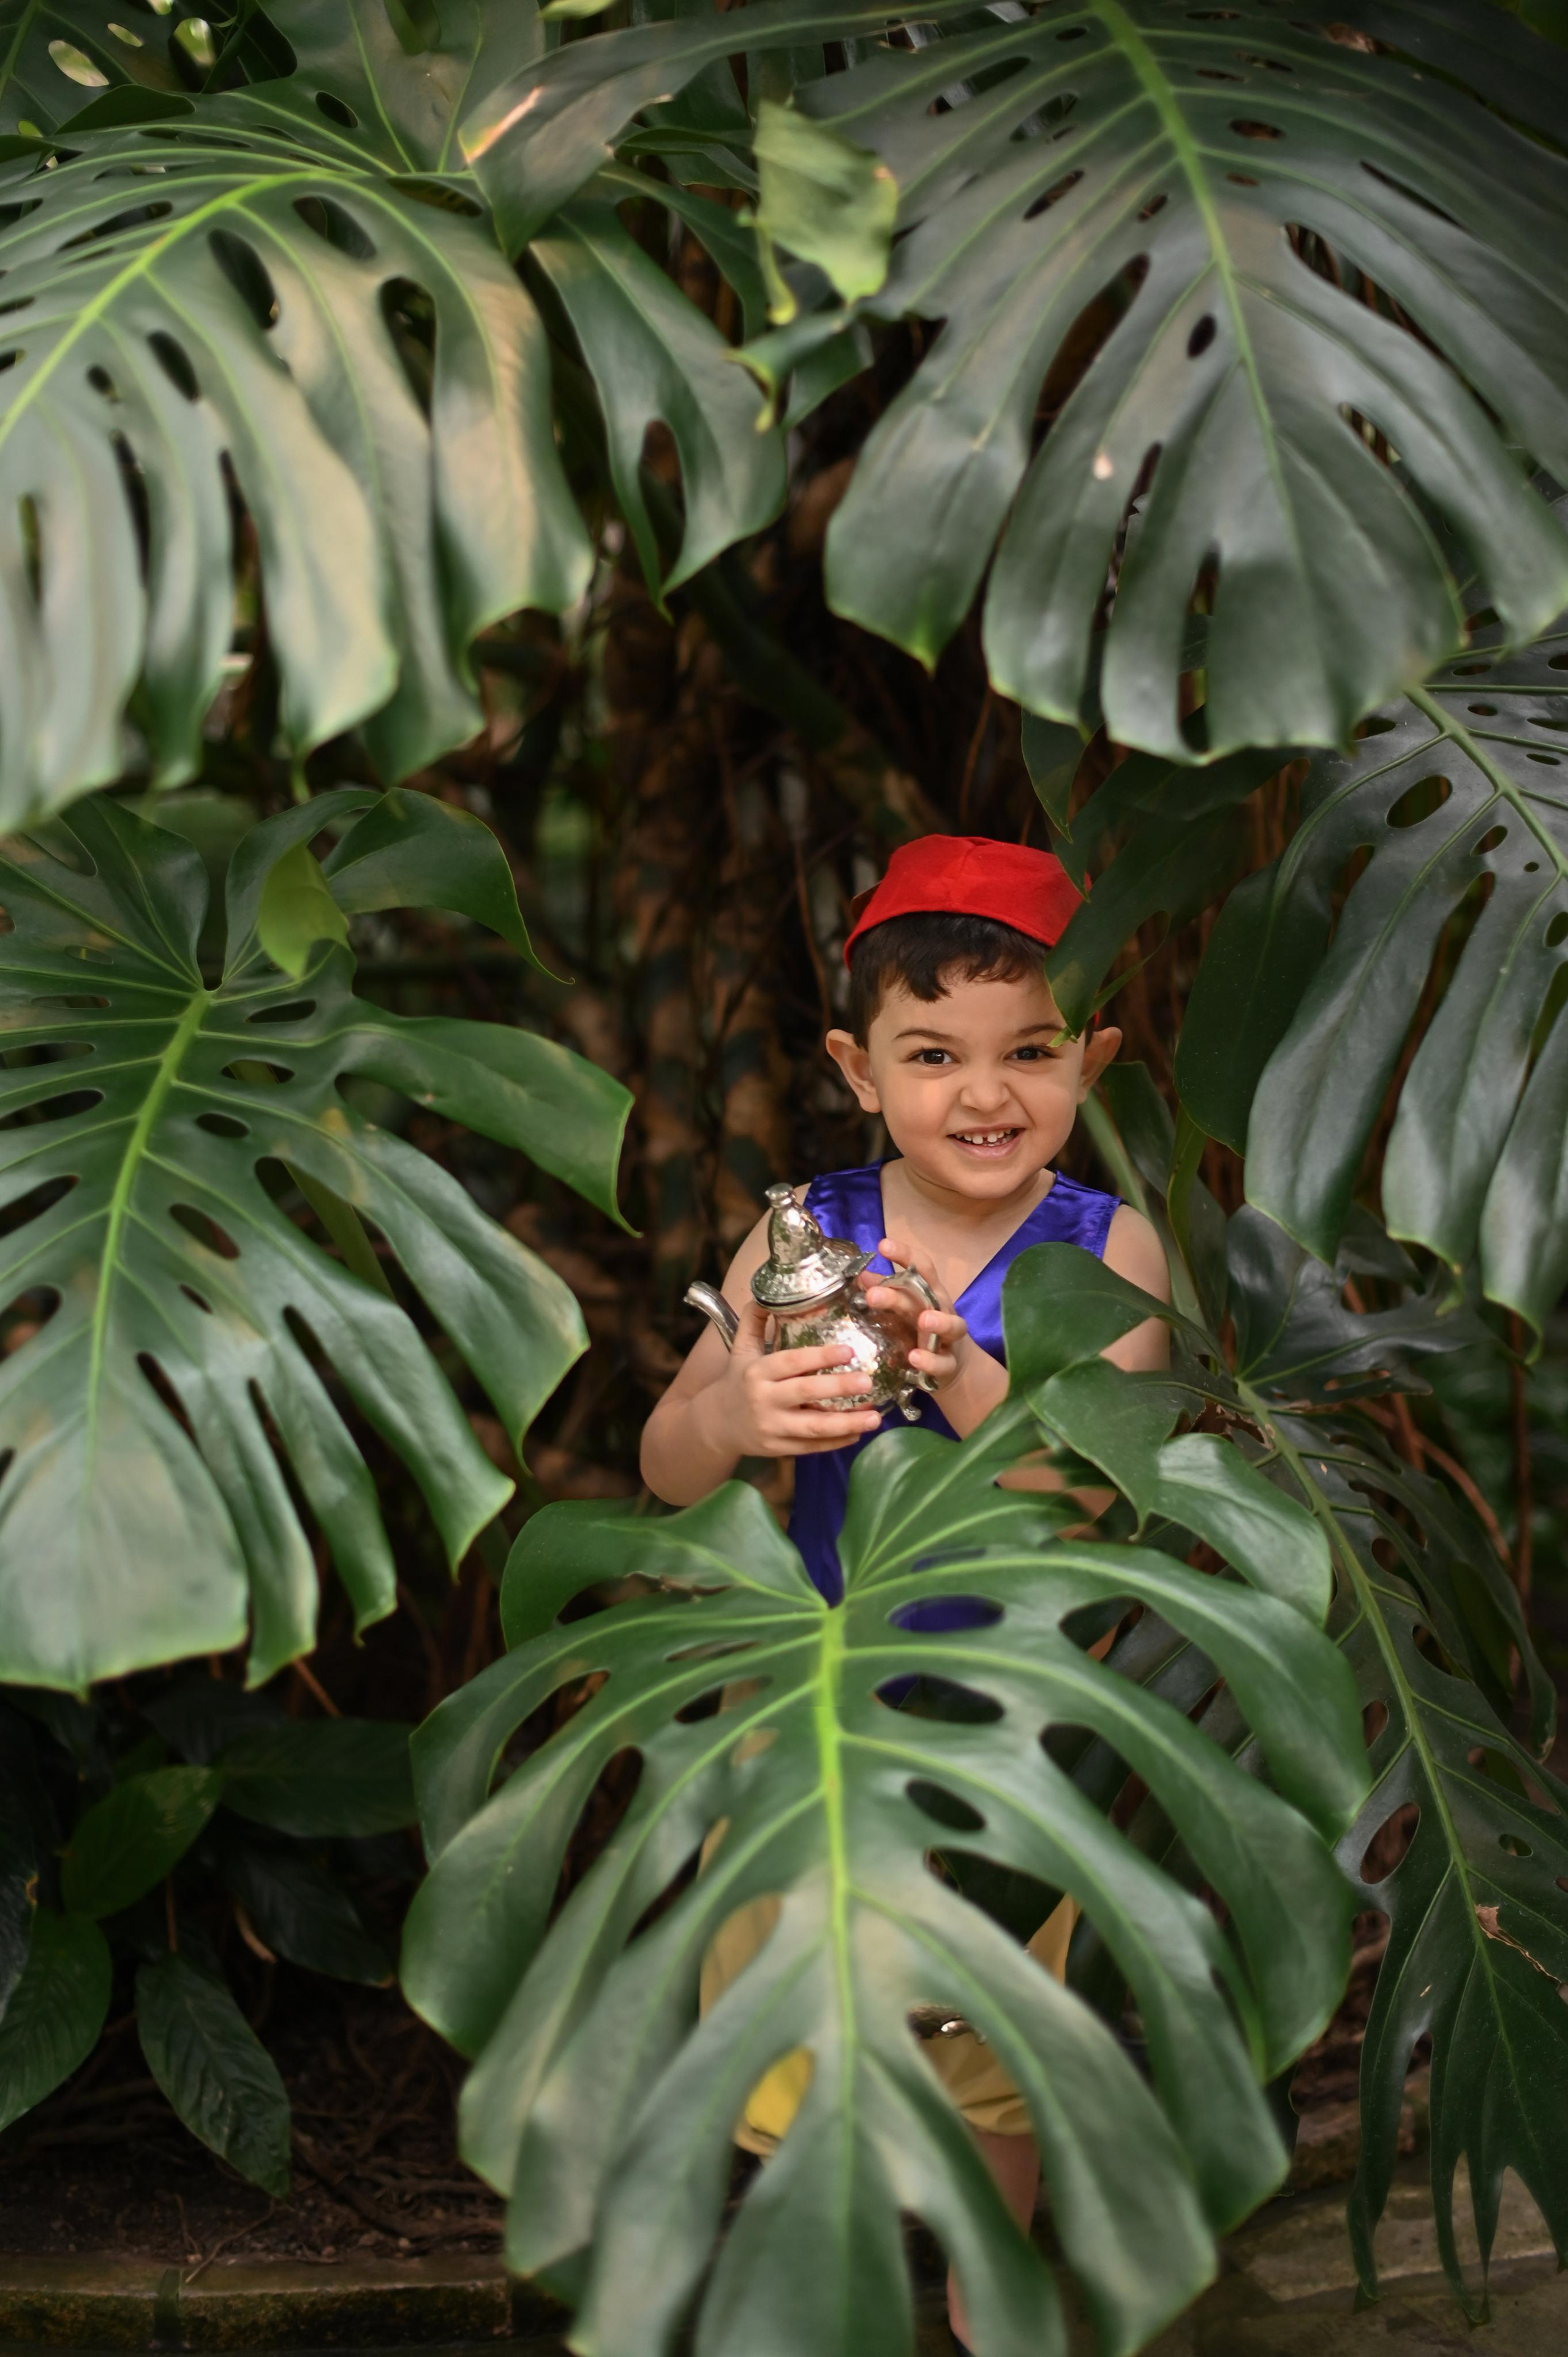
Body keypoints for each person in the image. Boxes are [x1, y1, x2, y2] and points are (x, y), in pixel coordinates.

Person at [639, 833, 1170, 2351]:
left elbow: (1089, 1488)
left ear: (1094, 1061)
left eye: (1032, 1050)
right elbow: (667, 1459)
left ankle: (984, 2283)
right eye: (932, 1053)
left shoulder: (1104, 1245)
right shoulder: (807, 1232)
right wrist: (733, 1421)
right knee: (805, 2011)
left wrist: (956, 1367)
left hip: (1008, 1715)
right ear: (857, 1067)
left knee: (987, 2031)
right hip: (808, 1698)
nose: (984, 1092)